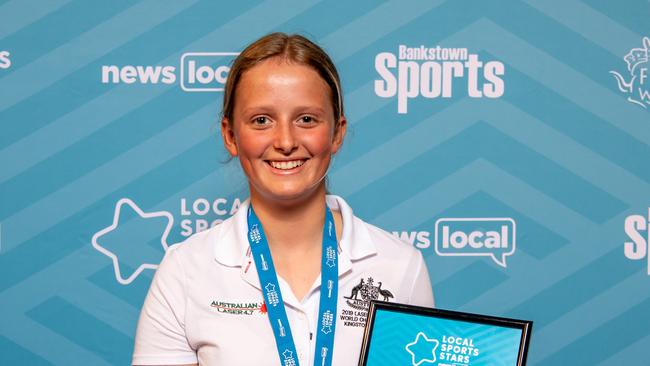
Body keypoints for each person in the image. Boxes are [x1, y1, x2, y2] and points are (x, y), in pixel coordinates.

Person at [132, 32, 434, 366]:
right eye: (262, 120)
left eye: (306, 119)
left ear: (337, 133)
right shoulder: (185, 270)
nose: (286, 141)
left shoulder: (400, 266)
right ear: (230, 135)